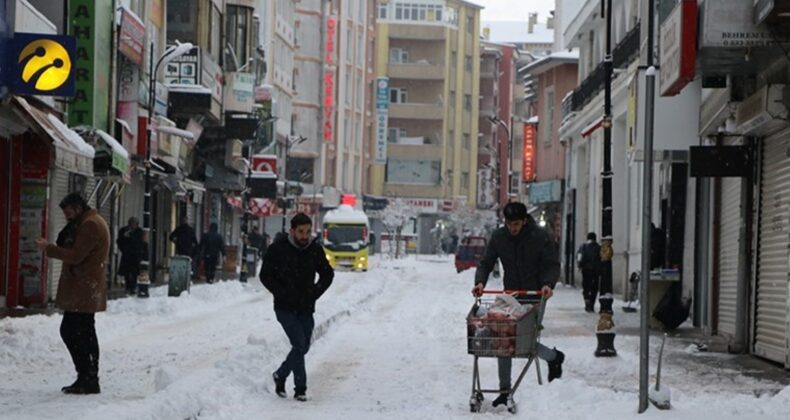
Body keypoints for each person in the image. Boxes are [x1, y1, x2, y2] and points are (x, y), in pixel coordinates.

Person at [471, 201, 564, 409]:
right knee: (505, 337)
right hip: (511, 294)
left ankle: (554, 357)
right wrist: (479, 282)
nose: (512, 229)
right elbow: (487, 262)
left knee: (526, 342)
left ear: (524, 221)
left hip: (536, 294)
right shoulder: (499, 237)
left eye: (516, 224)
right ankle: (505, 391)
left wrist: (548, 285)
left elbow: (551, 264)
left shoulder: (539, 237)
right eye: (509, 224)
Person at [35, 193, 110, 395]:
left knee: (74, 331)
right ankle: (87, 376)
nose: (67, 217)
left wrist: (48, 249)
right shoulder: (88, 221)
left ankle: (88, 376)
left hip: (84, 288)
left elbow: (76, 256)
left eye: (68, 213)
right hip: (83, 287)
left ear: (77, 208)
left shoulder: (90, 225)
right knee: (81, 330)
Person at [260, 213, 334, 402]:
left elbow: (327, 274)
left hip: (306, 307)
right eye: (301, 232)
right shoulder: (278, 249)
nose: (305, 236)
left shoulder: (315, 250)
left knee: (303, 346)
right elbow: (265, 275)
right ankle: (300, 388)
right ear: (292, 231)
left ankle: (280, 374)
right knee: (300, 344)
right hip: (284, 308)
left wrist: (315, 293)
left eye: (308, 231)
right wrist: (281, 293)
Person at [117, 217, 146, 295]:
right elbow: (119, 241)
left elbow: (141, 243)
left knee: (135, 272)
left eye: (134, 224)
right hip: (127, 254)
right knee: (127, 272)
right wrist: (123, 248)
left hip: (135, 255)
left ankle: (133, 287)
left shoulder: (139, 232)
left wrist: (140, 253)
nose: (132, 225)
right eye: (131, 223)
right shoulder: (124, 230)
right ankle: (128, 286)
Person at [577, 232, 601, 313]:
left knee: (586, 286)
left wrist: (579, 265)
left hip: (586, 270)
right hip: (596, 270)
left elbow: (579, 256)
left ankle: (587, 300)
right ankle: (592, 304)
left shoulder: (583, 246)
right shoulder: (598, 247)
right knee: (594, 287)